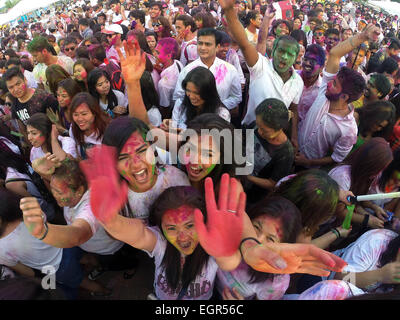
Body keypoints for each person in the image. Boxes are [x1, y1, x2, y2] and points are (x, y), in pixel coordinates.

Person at [221, 0, 303, 150]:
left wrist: (294, 137)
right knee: (241, 169)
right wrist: (229, 10)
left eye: (290, 54)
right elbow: (244, 42)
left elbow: (294, 110)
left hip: (274, 141)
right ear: (274, 50)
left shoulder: (298, 81)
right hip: (248, 135)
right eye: (281, 51)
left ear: (297, 57)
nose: (284, 57)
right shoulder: (261, 66)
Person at [296, 25, 376, 169]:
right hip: (294, 146)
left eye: (335, 84)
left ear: (344, 96)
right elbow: (335, 54)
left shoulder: (349, 129)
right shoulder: (326, 91)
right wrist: (363, 36)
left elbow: (336, 158)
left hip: (308, 169)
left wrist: (308, 162)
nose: (327, 83)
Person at [216, 196, 302, 300]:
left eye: (270, 238)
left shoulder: (276, 282)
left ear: (284, 246)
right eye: (256, 227)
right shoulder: (226, 227)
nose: (258, 240)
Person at [173, 28, 242, 118]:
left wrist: (218, 106)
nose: (203, 47)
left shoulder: (230, 70)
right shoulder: (187, 70)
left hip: (218, 120)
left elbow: (236, 96)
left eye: (208, 44)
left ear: (217, 47)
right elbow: (179, 97)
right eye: (200, 43)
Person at [328, 138, 394, 230]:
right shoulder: (343, 176)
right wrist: (367, 220)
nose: (379, 173)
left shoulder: (364, 176)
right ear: (369, 163)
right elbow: (338, 211)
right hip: (320, 219)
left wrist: (374, 207)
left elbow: (356, 200)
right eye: (379, 168)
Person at [244, 98, 294, 202]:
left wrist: (248, 177)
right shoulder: (255, 126)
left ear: (280, 128)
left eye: (265, 131)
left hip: (253, 194)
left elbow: (273, 183)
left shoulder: (285, 153)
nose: (259, 131)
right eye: (258, 125)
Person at [4, 67, 59, 140]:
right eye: (11, 87)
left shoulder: (45, 98)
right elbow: (23, 129)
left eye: (18, 84)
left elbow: (59, 122)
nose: (16, 89)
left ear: (25, 80)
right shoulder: (15, 105)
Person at [69, 92, 110, 160]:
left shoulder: (106, 129)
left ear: (94, 113)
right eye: (75, 114)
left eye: (84, 114)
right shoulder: (73, 129)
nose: (80, 119)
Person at [153, 37, 183, 119]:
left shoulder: (163, 84)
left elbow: (165, 107)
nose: (154, 55)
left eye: (158, 53)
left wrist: (164, 120)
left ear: (169, 56)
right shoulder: (177, 63)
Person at [297, 44, 326, 127]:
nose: (307, 63)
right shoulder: (292, 78)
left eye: (313, 61)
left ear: (322, 67)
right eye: (305, 59)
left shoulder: (322, 91)